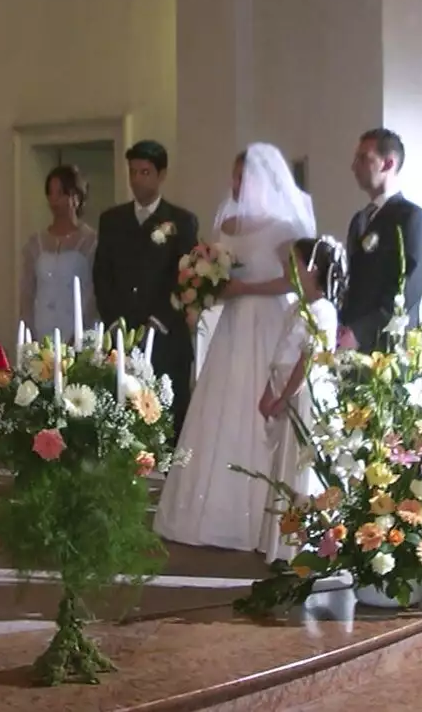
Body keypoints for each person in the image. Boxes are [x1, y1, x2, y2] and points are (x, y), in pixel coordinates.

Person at [154, 143, 316, 551]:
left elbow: (295, 280)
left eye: (244, 176)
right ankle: (208, 510)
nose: (237, 183)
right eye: (234, 175)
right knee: (219, 405)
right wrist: (207, 287)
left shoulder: (282, 226)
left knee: (255, 403)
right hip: (232, 325)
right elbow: (218, 271)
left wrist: (247, 288)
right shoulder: (226, 222)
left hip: (267, 321)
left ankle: (260, 514)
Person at [92, 140, 200, 434]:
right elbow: (102, 275)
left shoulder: (181, 221)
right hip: (122, 335)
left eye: (145, 172)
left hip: (165, 336)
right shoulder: (112, 220)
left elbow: (186, 279)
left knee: (168, 420)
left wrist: (160, 320)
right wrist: (114, 321)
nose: (138, 180)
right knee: (121, 417)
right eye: (133, 172)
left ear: (161, 174)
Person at [257, 235, 346, 564]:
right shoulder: (296, 307)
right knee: (285, 469)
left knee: (303, 470)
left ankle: (306, 548)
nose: (287, 268)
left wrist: (283, 397)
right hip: (286, 393)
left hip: (306, 399)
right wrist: (269, 392)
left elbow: (307, 362)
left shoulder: (324, 311)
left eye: (294, 263)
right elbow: (281, 353)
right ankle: (283, 545)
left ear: (312, 269)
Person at [340, 129, 422, 351]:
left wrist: (361, 332)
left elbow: (409, 287)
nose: (354, 167)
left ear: (388, 163)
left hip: (388, 344)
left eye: (363, 158)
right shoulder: (360, 220)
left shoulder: (411, 217)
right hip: (352, 342)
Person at [18, 164, 98, 341]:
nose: (54, 200)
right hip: (41, 331)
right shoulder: (36, 242)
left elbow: (93, 293)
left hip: (76, 332)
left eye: (61, 193)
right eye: (50, 193)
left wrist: (83, 333)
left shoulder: (91, 241)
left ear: (76, 197)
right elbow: (27, 292)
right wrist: (28, 332)